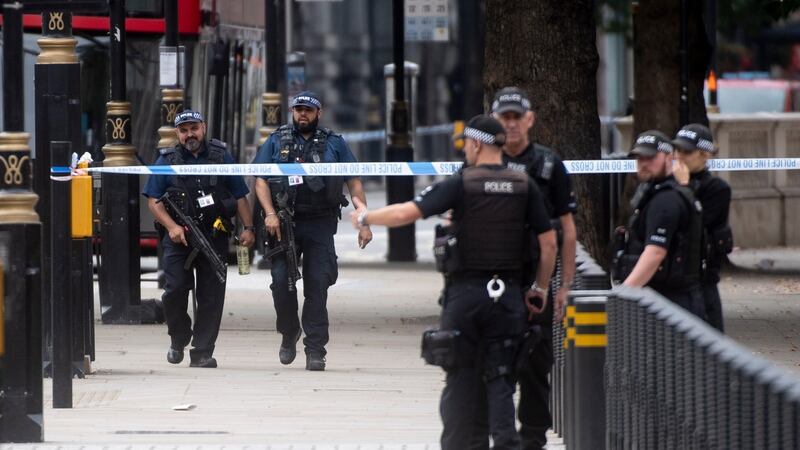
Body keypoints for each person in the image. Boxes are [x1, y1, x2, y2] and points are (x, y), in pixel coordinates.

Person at [349, 115, 557, 450]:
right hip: (508, 299)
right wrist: (540, 289)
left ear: (475, 144)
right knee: (502, 380)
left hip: (466, 297)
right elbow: (549, 244)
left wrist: (364, 217)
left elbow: (406, 214)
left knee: (460, 381)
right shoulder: (524, 185)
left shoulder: (463, 183)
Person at [252, 91, 372, 371]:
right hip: (283, 222)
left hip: (319, 223)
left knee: (317, 286)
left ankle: (315, 349)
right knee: (281, 283)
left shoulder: (335, 143)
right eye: (298, 109)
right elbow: (260, 179)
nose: (302, 114)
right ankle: (288, 332)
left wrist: (364, 221)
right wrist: (269, 213)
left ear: (319, 113)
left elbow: (353, 181)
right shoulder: (276, 140)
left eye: (307, 110)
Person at [490, 86, 577, 449]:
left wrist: (564, 286)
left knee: (536, 363)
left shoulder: (549, 164)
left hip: (535, 279)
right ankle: (502, 435)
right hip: (493, 279)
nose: (510, 125)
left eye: (516, 117)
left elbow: (567, 230)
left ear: (530, 120)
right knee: (495, 362)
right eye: (503, 117)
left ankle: (532, 438)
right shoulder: (483, 160)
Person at [143, 109, 255, 368]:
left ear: (203, 127)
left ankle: (203, 351)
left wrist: (248, 227)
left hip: (214, 236)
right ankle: (178, 337)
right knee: (175, 290)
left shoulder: (220, 155)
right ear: (177, 134)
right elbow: (153, 201)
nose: (189, 134)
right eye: (183, 130)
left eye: (194, 128)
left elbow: (239, 195)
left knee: (211, 296)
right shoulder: (167, 159)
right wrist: (172, 226)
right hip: (179, 238)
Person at [614, 130, 705, 317]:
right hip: (667, 298)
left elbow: (655, 253)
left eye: (651, 157)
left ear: (669, 157)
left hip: (670, 301)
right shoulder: (658, 192)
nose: (644, 164)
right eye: (639, 159)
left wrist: (624, 293)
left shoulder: (666, 200)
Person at [671, 124, 733, 331]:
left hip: (702, 281)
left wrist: (685, 187)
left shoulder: (717, 189)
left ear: (704, 155)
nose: (680, 156)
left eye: (686, 152)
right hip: (672, 279)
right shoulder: (668, 184)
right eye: (677, 150)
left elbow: (694, 222)